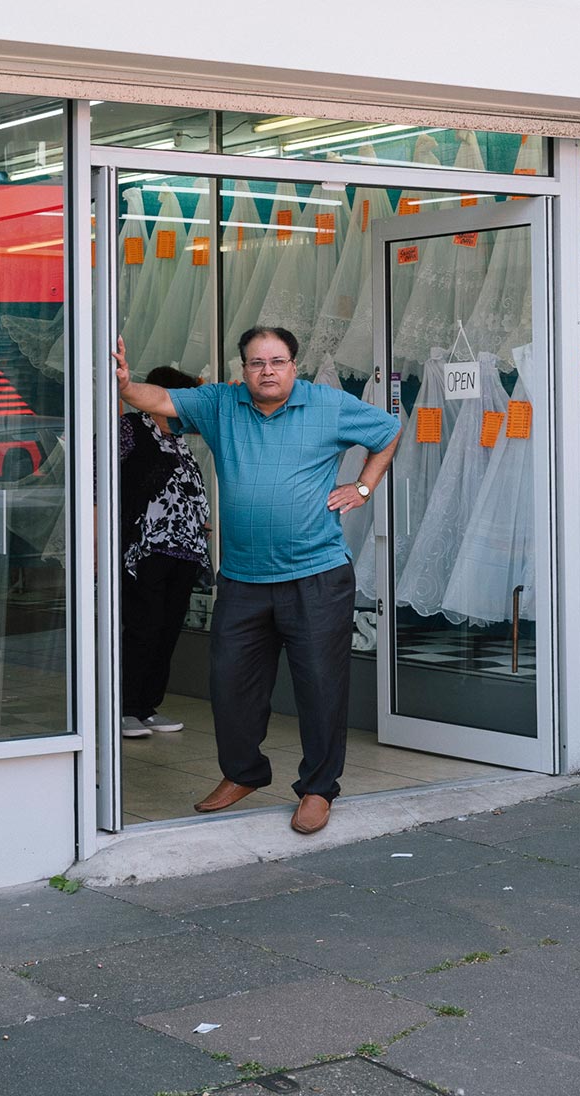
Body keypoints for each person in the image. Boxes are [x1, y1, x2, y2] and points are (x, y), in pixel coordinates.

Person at [115, 325, 401, 835]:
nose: (267, 371)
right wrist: (124, 384)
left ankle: (318, 788)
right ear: (243, 368)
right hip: (243, 579)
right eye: (256, 363)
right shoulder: (221, 404)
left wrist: (363, 486)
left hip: (316, 574)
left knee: (321, 689)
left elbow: (388, 430)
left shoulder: (328, 405)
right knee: (230, 684)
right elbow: (157, 398)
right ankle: (243, 773)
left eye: (276, 361)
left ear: (294, 365)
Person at [118, 366, 210, 740]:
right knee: (144, 626)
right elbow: (96, 475)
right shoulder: (130, 428)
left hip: (185, 550)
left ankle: (147, 706)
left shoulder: (178, 439)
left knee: (168, 628)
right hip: (146, 548)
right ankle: (126, 707)